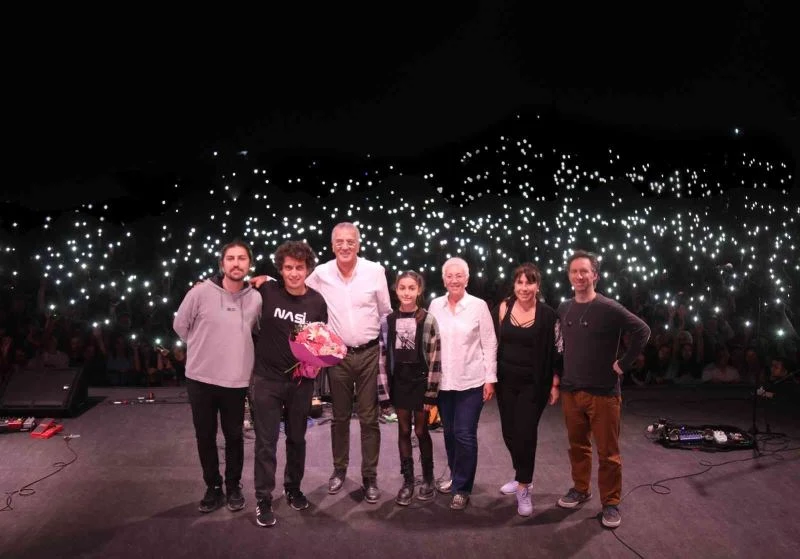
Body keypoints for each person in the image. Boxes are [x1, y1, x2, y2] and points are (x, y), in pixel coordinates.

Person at [556, 250, 650, 529]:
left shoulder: (609, 307)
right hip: (571, 390)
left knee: (608, 453)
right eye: (574, 271)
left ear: (595, 275)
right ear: (569, 276)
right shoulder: (564, 308)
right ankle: (580, 489)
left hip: (604, 393)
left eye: (584, 271)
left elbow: (643, 331)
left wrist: (623, 363)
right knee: (577, 446)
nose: (579, 276)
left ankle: (610, 502)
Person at [173, 240, 262, 514]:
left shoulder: (256, 298)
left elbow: (258, 331)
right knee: (205, 436)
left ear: (249, 264)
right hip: (200, 379)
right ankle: (213, 487)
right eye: (231, 258)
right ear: (222, 263)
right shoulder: (200, 292)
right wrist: (203, 347)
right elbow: (180, 326)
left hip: (236, 380)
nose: (236, 263)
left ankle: (233, 486)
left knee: (234, 436)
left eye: (242, 258)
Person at [306, 222, 392, 502]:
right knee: (339, 417)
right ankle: (339, 470)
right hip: (337, 355)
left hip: (369, 354)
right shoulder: (321, 273)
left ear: (358, 244)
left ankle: (370, 477)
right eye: (340, 242)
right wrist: (268, 281)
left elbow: (385, 311)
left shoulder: (374, 271)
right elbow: (298, 291)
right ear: (332, 246)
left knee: (369, 419)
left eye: (350, 241)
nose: (345, 246)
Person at [251, 241, 328, 528]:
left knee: (297, 438)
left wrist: (316, 364)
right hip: (266, 380)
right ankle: (263, 498)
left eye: (299, 267)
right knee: (266, 442)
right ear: (280, 270)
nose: (294, 273)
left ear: (308, 269)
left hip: (300, 383)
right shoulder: (267, 291)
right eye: (288, 268)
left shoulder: (317, 302)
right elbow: (237, 285)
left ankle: (293, 488)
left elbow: (319, 342)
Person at [428, 257, 497, 510]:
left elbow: (489, 342)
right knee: (448, 432)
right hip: (444, 382)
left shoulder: (478, 306)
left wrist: (490, 378)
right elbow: (430, 343)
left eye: (459, 276)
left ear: (467, 279)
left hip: (471, 381)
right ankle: (456, 476)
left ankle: (462, 488)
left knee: (464, 434)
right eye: (450, 275)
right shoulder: (435, 305)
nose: (454, 280)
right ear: (443, 279)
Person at [494, 263, 561, 517]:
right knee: (509, 433)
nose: (524, 288)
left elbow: (558, 349)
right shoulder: (504, 308)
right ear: (514, 285)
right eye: (520, 282)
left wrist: (555, 383)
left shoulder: (548, 315)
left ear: (537, 286)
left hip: (534, 384)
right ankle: (520, 473)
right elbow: (491, 341)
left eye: (529, 282)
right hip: (505, 382)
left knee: (525, 433)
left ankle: (524, 486)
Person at [377, 271, 441, 506]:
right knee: (403, 430)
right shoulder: (388, 321)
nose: (406, 292)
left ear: (419, 290)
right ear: (396, 290)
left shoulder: (428, 319)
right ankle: (408, 480)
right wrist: (384, 393)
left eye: (411, 288)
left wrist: (431, 392)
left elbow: (435, 357)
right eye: (402, 288)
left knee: (421, 431)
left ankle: (428, 477)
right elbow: (382, 358)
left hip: (421, 382)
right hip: (400, 383)